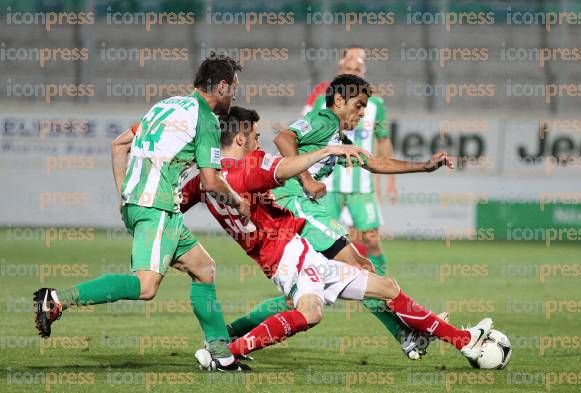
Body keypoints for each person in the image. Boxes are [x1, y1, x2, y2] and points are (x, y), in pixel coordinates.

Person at [180, 106, 492, 368]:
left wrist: (175, 246)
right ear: (240, 137)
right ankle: (224, 353)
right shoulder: (248, 166)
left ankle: (462, 341)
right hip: (287, 256)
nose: (259, 142)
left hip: (295, 255)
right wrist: (326, 151)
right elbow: (283, 167)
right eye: (255, 136)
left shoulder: (202, 182)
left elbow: (173, 205)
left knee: (375, 290)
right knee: (332, 298)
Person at [33, 55, 250, 371]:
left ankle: (221, 355)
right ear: (220, 86)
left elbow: (119, 145)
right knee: (146, 286)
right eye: (233, 89)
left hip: (150, 206)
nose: (234, 96)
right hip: (156, 207)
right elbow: (211, 180)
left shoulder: (165, 107)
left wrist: (125, 194)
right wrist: (238, 201)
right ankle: (56, 298)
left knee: (204, 268)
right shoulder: (206, 119)